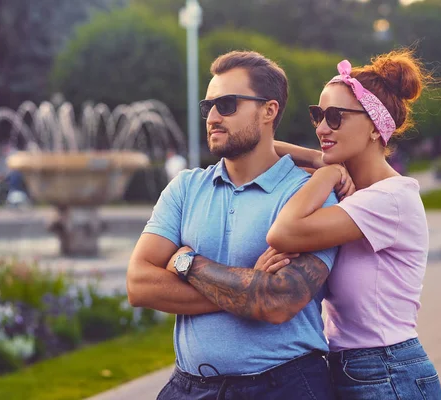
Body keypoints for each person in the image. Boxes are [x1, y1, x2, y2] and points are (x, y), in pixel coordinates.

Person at [127, 51, 343, 400]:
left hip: (284, 387)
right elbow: (139, 284)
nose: (212, 117)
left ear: (269, 111)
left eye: (227, 104)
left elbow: (277, 301)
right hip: (188, 388)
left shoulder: (309, 197)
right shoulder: (185, 187)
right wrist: (246, 285)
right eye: (208, 106)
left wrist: (187, 263)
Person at [268, 50, 441, 399]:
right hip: (360, 368)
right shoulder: (355, 196)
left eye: (335, 117)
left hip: (388, 372)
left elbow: (283, 232)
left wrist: (329, 170)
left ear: (376, 128)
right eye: (318, 115)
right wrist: (320, 158)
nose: (321, 128)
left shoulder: (389, 199)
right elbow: (259, 150)